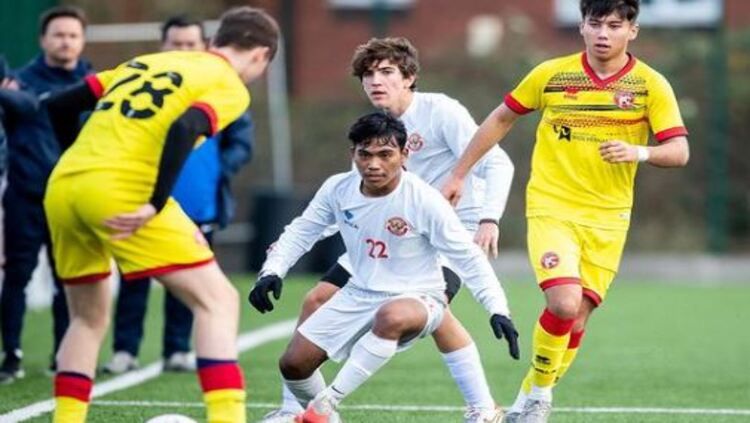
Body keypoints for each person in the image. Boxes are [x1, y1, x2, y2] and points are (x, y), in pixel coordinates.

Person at [441, 1, 690, 421]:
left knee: (575, 320)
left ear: (633, 30)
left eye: (615, 25)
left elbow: (679, 151)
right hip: (552, 205)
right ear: (582, 27)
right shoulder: (551, 73)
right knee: (562, 302)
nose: (603, 33)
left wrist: (639, 150)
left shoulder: (650, 85)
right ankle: (540, 398)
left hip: (610, 217)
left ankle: (530, 396)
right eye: (595, 24)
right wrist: (459, 173)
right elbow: (501, 118)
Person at [256, 37, 515, 423]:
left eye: (387, 72)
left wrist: (489, 218)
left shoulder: (440, 111)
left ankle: (482, 407)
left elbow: (499, 164)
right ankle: (295, 408)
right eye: (368, 74)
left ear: (409, 77)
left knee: (428, 311)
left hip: (446, 228)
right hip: (388, 232)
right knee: (315, 300)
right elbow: (349, 203)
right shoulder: (373, 138)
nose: (376, 81)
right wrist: (283, 255)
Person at [42, 6, 279, 422]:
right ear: (261, 55)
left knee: (87, 318)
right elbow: (185, 127)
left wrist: (79, 159)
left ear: (212, 41)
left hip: (65, 185)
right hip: (123, 190)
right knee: (218, 301)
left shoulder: (150, 61)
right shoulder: (228, 83)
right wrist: (154, 201)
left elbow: (58, 105)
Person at [102, 15, 255, 375]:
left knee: (190, 281)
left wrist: (216, 170)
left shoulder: (220, 89)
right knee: (134, 278)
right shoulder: (147, 87)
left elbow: (241, 144)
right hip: (141, 200)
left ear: (204, 47)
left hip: (198, 203)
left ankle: (177, 349)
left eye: (190, 43)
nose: (183, 50)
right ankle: (124, 350)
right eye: (176, 43)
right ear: (162, 45)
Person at [0, 5, 92, 383]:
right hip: (26, 195)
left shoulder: (97, 85)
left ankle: (62, 355)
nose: (65, 41)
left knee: (68, 279)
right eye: (58, 34)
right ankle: (12, 357)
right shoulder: (19, 81)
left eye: (72, 35)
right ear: (43, 39)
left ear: (82, 40)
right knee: (17, 275)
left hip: (73, 200)